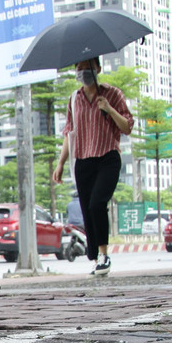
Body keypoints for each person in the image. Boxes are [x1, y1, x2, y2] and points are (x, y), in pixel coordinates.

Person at [53, 56, 133, 276]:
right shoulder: (73, 99)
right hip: (83, 160)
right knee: (88, 210)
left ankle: (104, 255)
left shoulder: (113, 94)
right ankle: (96, 257)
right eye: (79, 68)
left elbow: (127, 127)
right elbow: (69, 133)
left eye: (87, 68)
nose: (83, 72)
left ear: (98, 69)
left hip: (108, 156)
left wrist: (109, 109)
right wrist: (60, 163)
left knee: (98, 203)